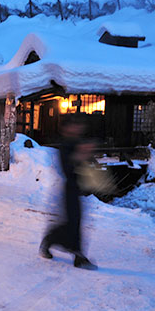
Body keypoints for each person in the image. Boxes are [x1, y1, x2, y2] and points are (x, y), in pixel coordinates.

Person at [39, 115, 98, 270]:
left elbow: (84, 163)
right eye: (75, 125)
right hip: (69, 188)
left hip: (78, 187)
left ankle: (68, 250)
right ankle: (52, 241)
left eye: (79, 126)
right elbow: (67, 166)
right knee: (72, 222)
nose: (78, 128)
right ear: (66, 129)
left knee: (75, 221)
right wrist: (80, 154)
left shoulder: (77, 142)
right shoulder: (65, 145)